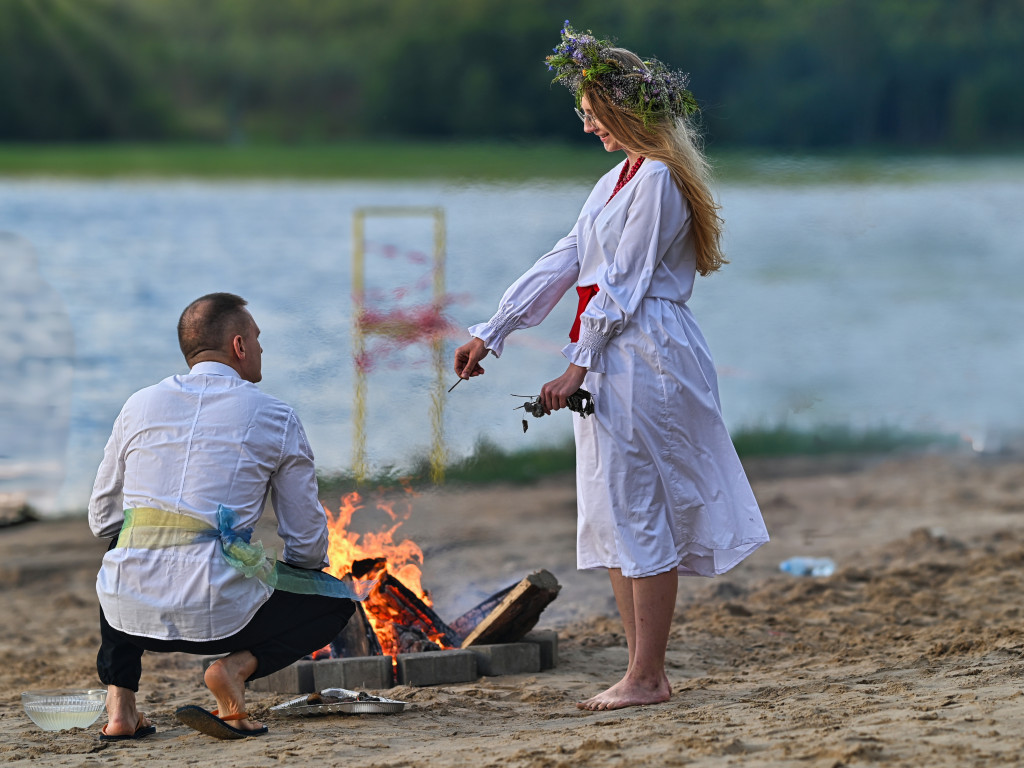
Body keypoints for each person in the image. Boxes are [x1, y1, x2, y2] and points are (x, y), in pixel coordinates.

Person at [454, 22, 769, 711]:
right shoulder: (613, 181)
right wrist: (494, 330)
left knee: (640, 502)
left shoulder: (657, 179)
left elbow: (621, 285)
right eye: (584, 114)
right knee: (612, 506)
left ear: (623, 111)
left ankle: (648, 675)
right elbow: (566, 260)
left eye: (593, 113)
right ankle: (639, 670)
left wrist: (574, 367)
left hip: (646, 349)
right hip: (613, 350)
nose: (588, 124)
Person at [89, 292, 362, 740]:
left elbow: (102, 518)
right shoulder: (276, 415)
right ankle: (233, 670)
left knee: (123, 547)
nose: (260, 348)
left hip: (129, 618)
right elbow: (307, 542)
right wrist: (288, 574)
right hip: (222, 622)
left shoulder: (137, 404)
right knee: (336, 601)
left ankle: (120, 707)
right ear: (238, 346)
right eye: (256, 338)